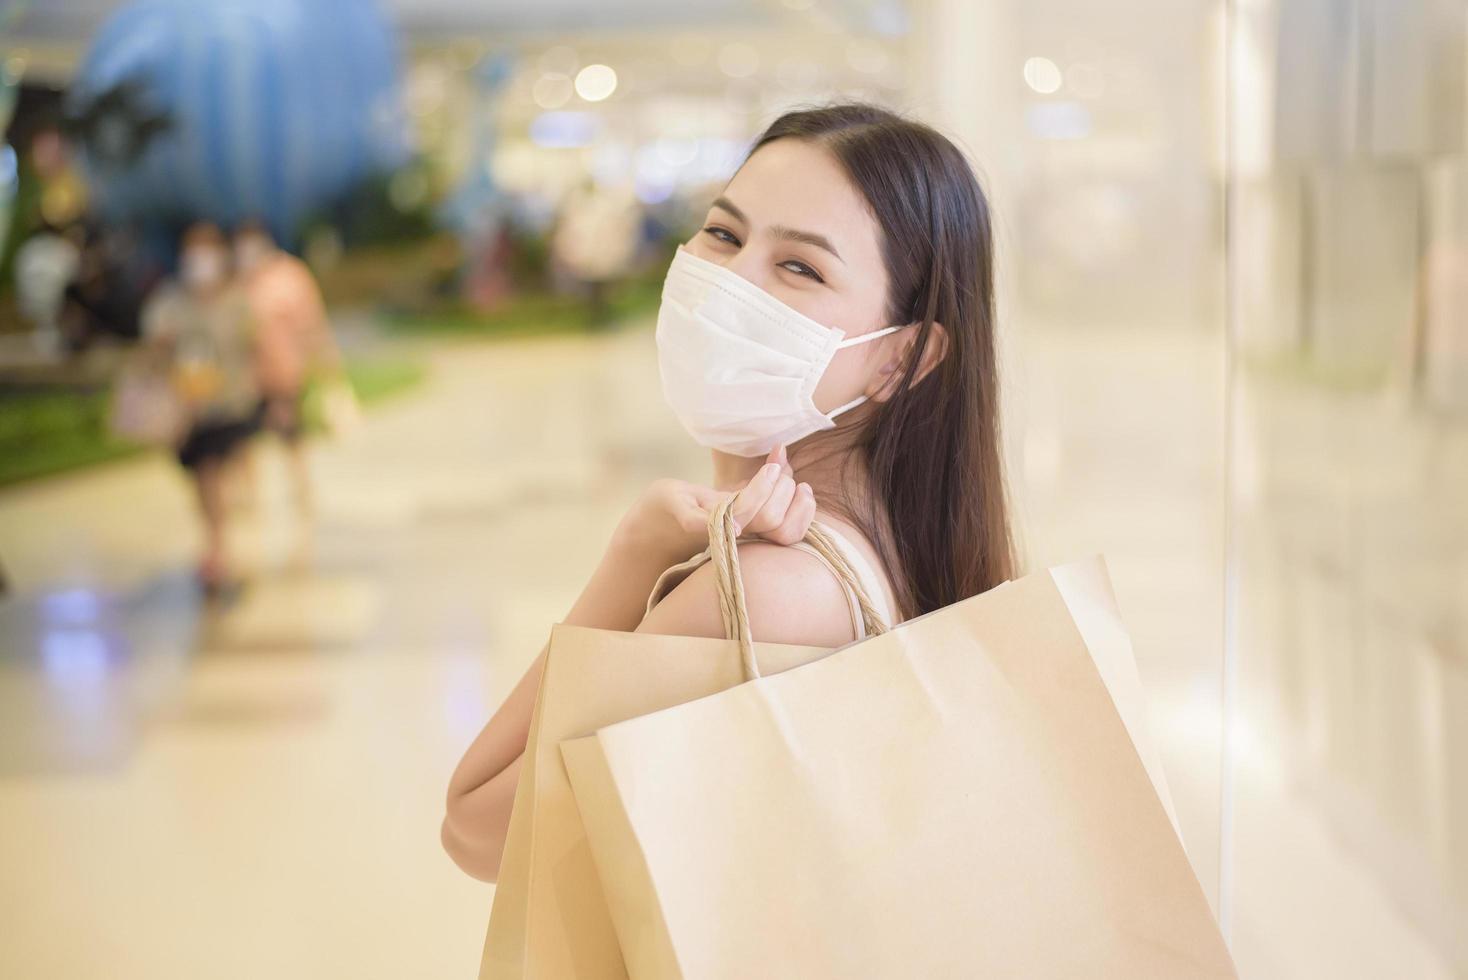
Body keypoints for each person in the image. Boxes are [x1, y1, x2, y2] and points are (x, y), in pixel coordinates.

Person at [441, 102, 1017, 881]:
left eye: (800, 267)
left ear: (900, 361)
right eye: (723, 233)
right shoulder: (896, 537)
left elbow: (476, 829)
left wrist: (634, 555)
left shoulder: (767, 590)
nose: (727, 281)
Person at [140, 221, 260, 595]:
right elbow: (154, 345)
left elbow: (250, 343)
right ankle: (216, 544)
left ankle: (218, 550)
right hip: (189, 408)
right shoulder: (172, 299)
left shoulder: (235, 298)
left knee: (212, 475)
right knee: (203, 481)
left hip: (229, 405)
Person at [232, 218, 344, 535]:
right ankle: (249, 498)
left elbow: (311, 321)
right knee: (244, 442)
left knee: (291, 436)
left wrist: (324, 361)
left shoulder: (289, 275)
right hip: (245, 379)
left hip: (285, 373)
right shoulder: (237, 281)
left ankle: (302, 492)